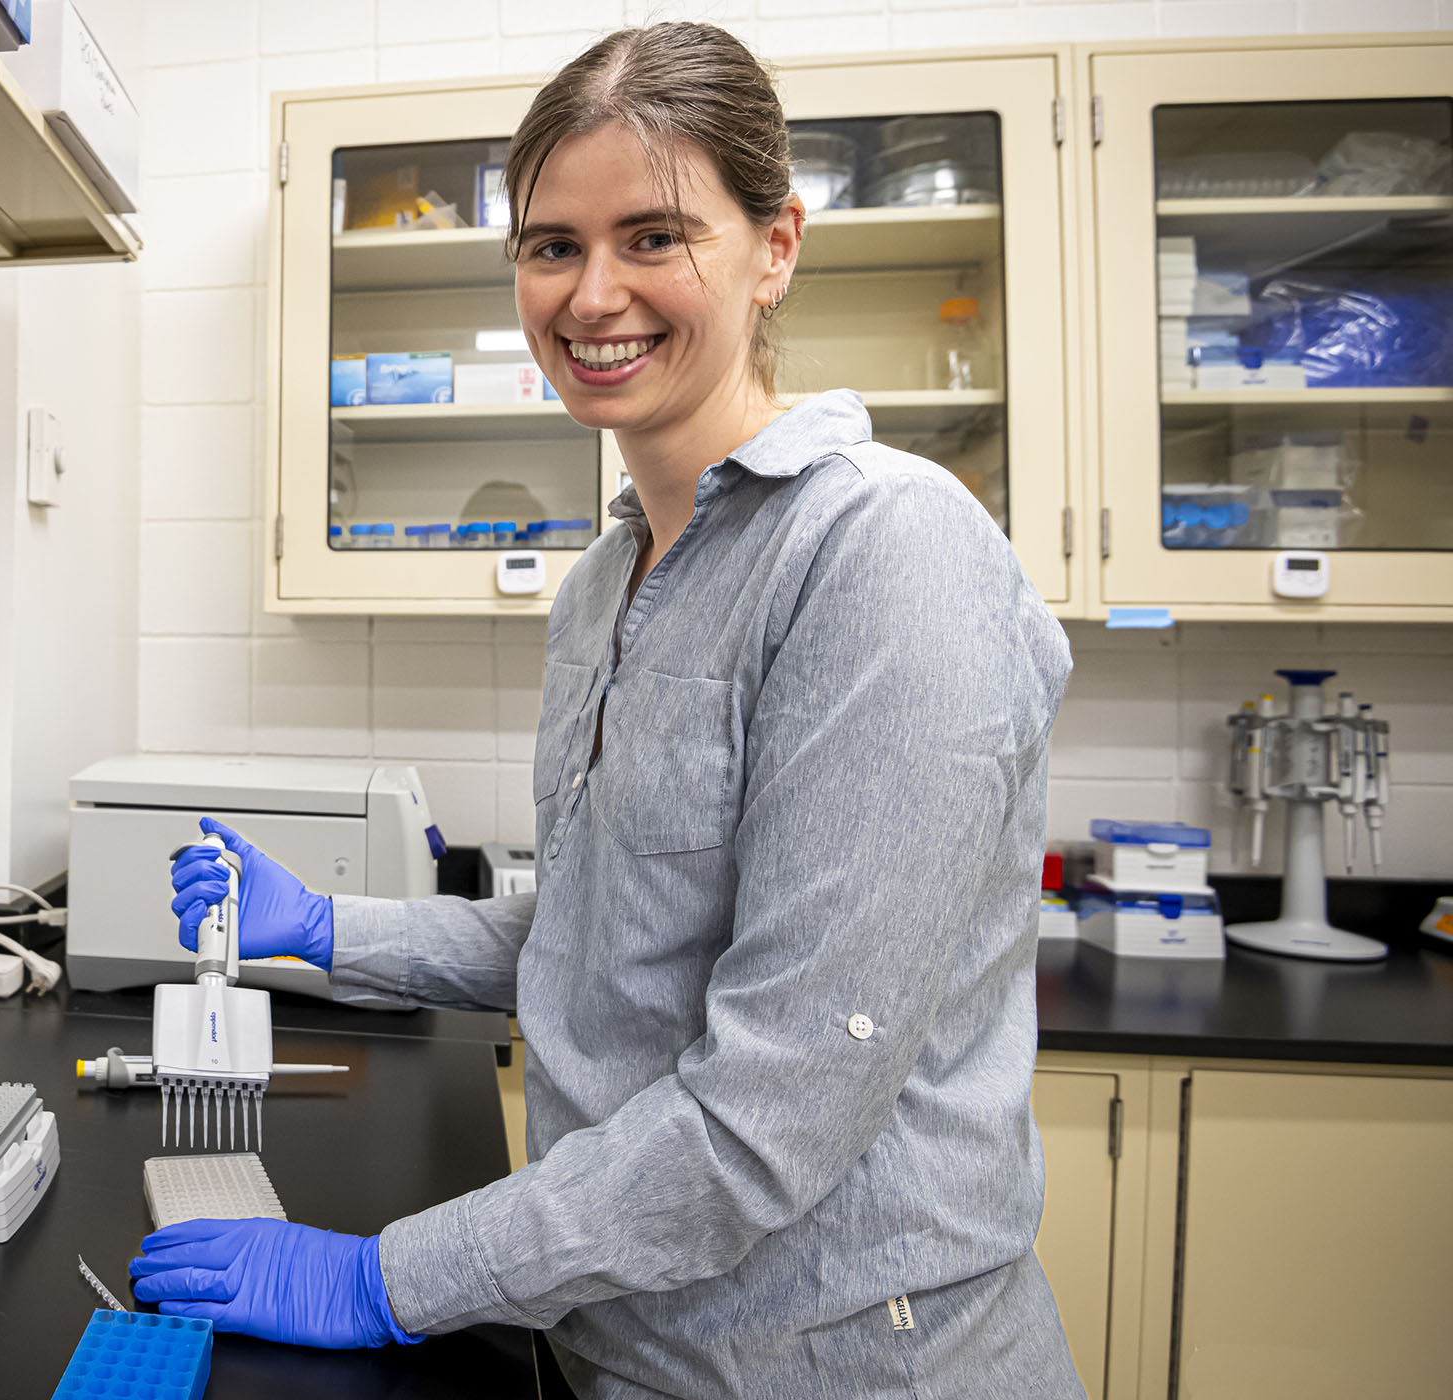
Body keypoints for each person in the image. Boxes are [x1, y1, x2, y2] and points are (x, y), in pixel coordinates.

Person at [128, 21, 1082, 1400]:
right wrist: (332, 930)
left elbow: (772, 1111)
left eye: (653, 236)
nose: (591, 295)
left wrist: (384, 1280)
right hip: (617, 1338)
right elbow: (605, 940)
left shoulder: (886, 554)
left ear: (776, 247)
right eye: (551, 245)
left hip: (838, 1369)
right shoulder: (605, 581)